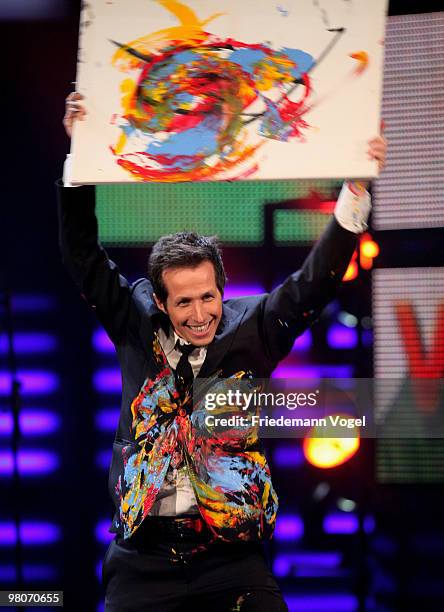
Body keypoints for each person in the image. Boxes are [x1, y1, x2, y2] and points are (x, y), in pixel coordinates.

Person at [60, 93, 386, 612]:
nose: (198, 314)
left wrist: (355, 190)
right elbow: (83, 255)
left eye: (208, 296)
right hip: (142, 561)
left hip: (232, 559)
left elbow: (311, 286)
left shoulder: (251, 331)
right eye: (183, 302)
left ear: (222, 289)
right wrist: (80, 155)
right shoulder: (133, 322)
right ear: (161, 302)